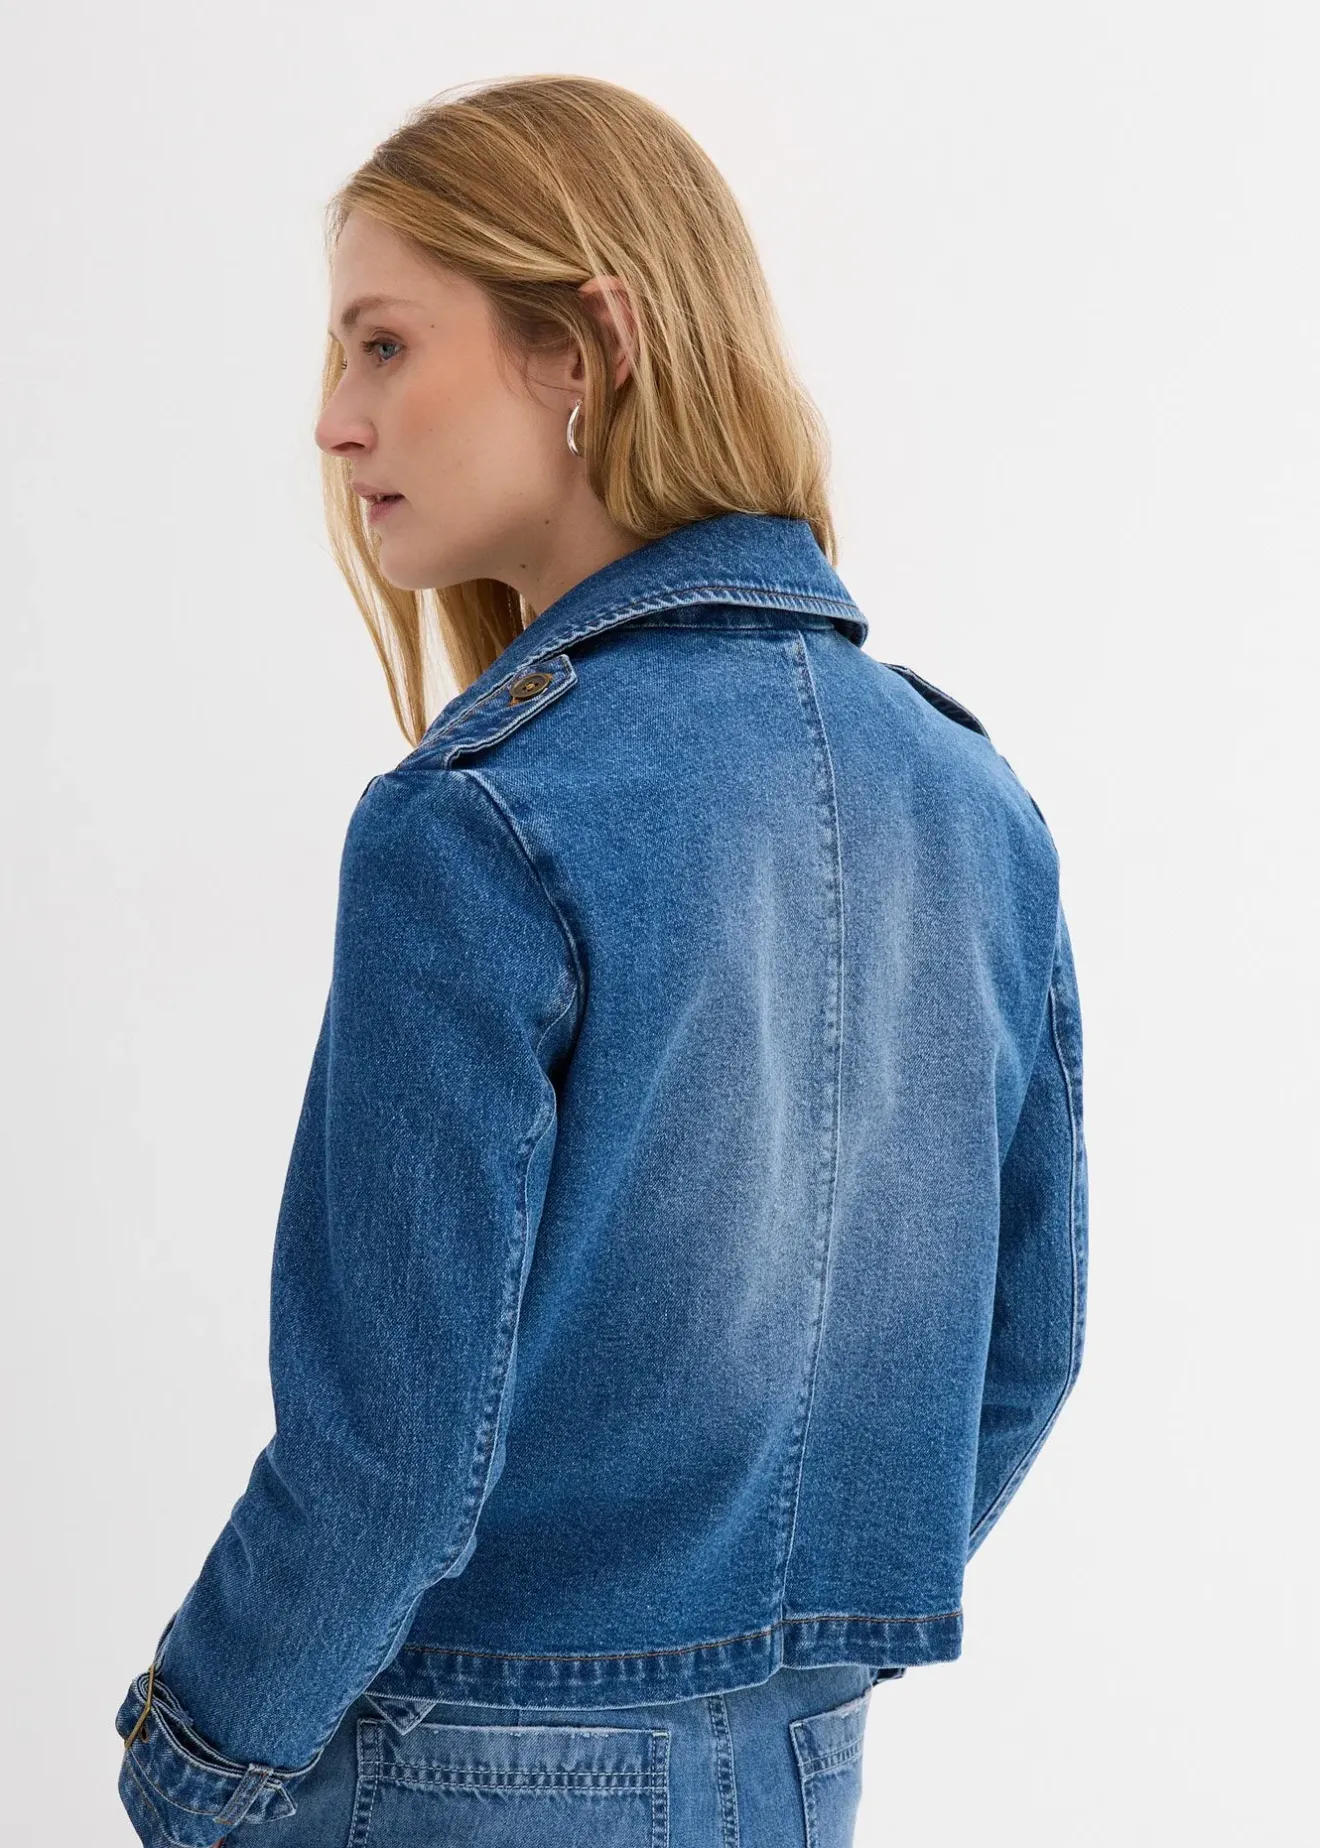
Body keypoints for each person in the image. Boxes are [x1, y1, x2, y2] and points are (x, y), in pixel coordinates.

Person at [114, 73, 1088, 1848]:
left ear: (583, 347)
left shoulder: (477, 820)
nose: (335, 421)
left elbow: (386, 1460)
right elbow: (1021, 1354)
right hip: (792, 1774)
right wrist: (769, 1646)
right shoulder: (974, 799)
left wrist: (193, 1752)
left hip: (453, 1781)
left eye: (385, 344)